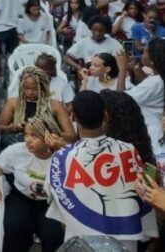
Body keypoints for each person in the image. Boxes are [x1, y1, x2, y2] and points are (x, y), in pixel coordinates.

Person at [45, 91, 157, 249]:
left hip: (82, 244)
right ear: (105, 116)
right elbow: (142, 197)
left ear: (73, 117)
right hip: (124, 244)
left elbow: (60, 205)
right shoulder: (130, 150)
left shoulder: (62, 157)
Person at [0, 113, 64, 252]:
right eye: (26, 134)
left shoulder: (63, 156)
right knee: (15, 229)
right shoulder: (18, 150)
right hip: (22, 198)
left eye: (34, 136)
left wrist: (62, 147)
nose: (27, 140)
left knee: (54, 236)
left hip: (51, 203)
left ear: (49, 137)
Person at [0, 66, 75, 150]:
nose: (29, 92)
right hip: (21, 147)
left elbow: (72, 136)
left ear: (43, 87)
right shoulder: (13, 103)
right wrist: (13, 128)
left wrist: (46, 133)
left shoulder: (55, 105)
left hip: (47, 149)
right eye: (26, 88)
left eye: (34, 89)